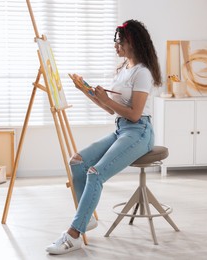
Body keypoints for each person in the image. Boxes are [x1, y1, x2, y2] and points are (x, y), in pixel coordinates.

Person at [46, 19, 162, 255]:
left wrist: (106, 99)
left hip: (140, 131)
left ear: (132, 42)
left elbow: (135, 113)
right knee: (77, 161)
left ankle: (74, 234)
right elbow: (111, 110)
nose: (115, 46)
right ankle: (85, 219)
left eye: (119, 42)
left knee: (95, 173)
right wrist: (86, 92)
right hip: (122, 128)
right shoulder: (124, 70)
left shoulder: (143, 73)